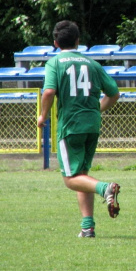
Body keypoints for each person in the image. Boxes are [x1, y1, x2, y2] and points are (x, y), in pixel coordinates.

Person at [37, 20, 122, 237]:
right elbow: (114, 93)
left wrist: (42, 115)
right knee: (83, 176)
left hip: (70, 126)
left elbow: (48, 92)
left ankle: (105, 188)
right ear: (78, 41)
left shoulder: (55, 63)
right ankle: (87, 227)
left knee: (70, 179)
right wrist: (97, 110)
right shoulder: (92, 64)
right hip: (92, 125)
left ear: (55, 43)